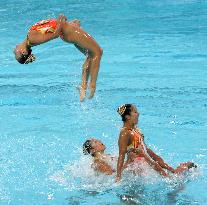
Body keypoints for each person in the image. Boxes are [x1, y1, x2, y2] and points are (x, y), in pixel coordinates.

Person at [14, 14, 103, 101]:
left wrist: (69, 24)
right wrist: (61, 19)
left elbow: (51, 28)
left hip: (69, 31)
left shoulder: (30, 37)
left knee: (90, 55)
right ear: (24, 52)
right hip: (70, 33)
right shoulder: (32, 39)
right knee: (98, 52)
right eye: (16, 55)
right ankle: (92, 88)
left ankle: (83, 87)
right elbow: (55, 35)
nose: (14, 51)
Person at [116, 104, 197, 182]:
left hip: (144, 163)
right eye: (135, 111)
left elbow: (147, 150)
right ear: (127, 116)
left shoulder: (136, 131)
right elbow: (121, 155)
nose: (138, 113)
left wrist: (168, 167)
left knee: (169, 177)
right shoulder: (125, 133)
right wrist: (118, 176)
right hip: (135, 169)